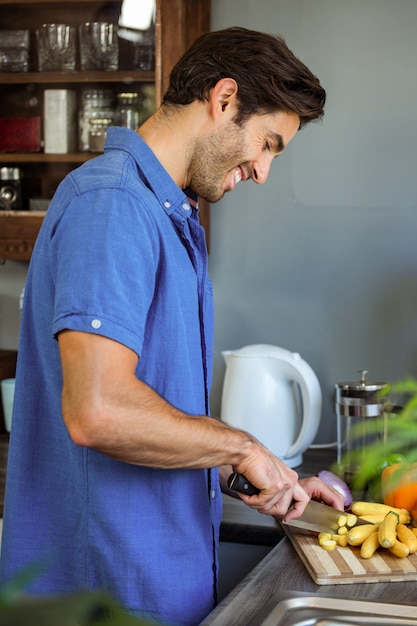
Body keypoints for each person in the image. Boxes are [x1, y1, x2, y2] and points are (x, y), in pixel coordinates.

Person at [0, 27, 343, 626]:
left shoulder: (168, 219)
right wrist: (242, 445)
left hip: (152, 586)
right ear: (225, 99)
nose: (262, 171)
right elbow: (99, 411)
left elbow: (154, 415)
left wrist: (267, 475)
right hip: (101, 591)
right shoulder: (113, 207)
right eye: (267, 143)